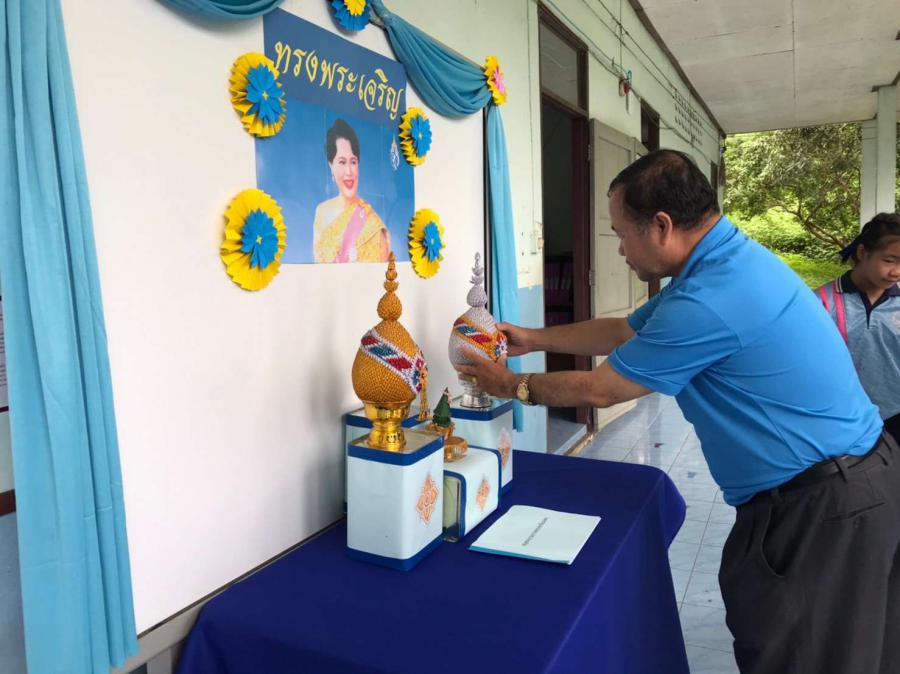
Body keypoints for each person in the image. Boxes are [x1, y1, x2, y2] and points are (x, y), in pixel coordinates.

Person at [456, 149, 899, 674]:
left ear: (662, 226)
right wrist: (532, 338)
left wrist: (510, 385)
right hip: (852, 484)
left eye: (622, 233)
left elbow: (602, 390)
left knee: (809, 658)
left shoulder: (711, 296)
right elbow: (624, 331)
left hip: (825, 507)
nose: (620, 249)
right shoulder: (721, 264)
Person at [816, 213, 900, 441]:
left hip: (895, 416)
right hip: (840, 418)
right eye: (889, 260)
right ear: (862, 253)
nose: (896, 272)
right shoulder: (821, 303)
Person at [312, 119, 390, 263]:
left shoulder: (373, 225)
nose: (349, 171)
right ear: (331, 165)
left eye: (353, 162)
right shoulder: (322, 213)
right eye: (342, 162)